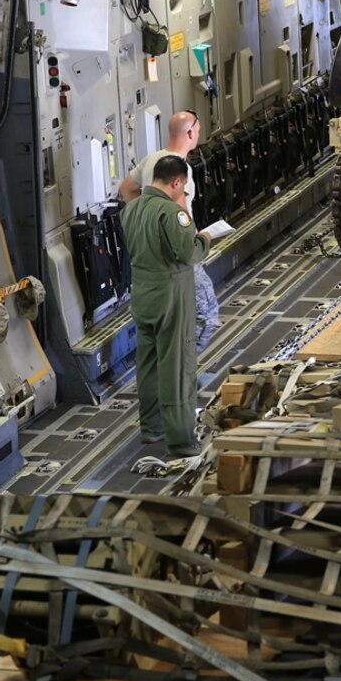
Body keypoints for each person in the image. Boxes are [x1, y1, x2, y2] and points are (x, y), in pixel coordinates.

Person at [122, 154, 212, 457]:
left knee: (148, 363)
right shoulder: (173, 213)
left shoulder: (131, 209)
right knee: (177, 366)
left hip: (143, 294)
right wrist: (205, 239)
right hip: (171, 297)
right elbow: (188, 253)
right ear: (176, 182)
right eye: (182, 188)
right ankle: (182, 439)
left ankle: (152, 427)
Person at [119, 110, 221, 351]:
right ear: (189, 133)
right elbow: (180, 214)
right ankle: (184, 370)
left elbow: (126, 189)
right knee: (205, 313)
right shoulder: (181, 170)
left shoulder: (152, 160)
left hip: (150, 262)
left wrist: (144, 220)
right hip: (179, 257)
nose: (199, 132)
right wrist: (200, 238)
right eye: (197, 128)